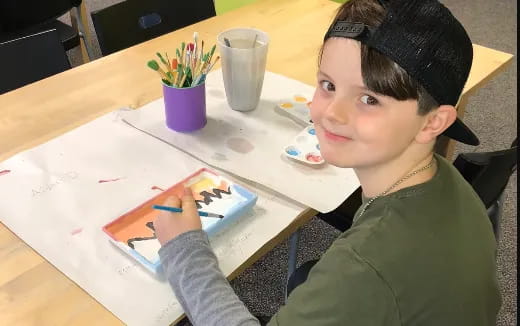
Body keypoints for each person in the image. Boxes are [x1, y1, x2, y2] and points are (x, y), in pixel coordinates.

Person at [153, 0, 501, 325]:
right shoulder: (447, 182)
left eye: (369, 99)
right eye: (328, 85)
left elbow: (368, 276)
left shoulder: (364, 267)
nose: (332, 113)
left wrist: (184, 250)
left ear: (432, 122)